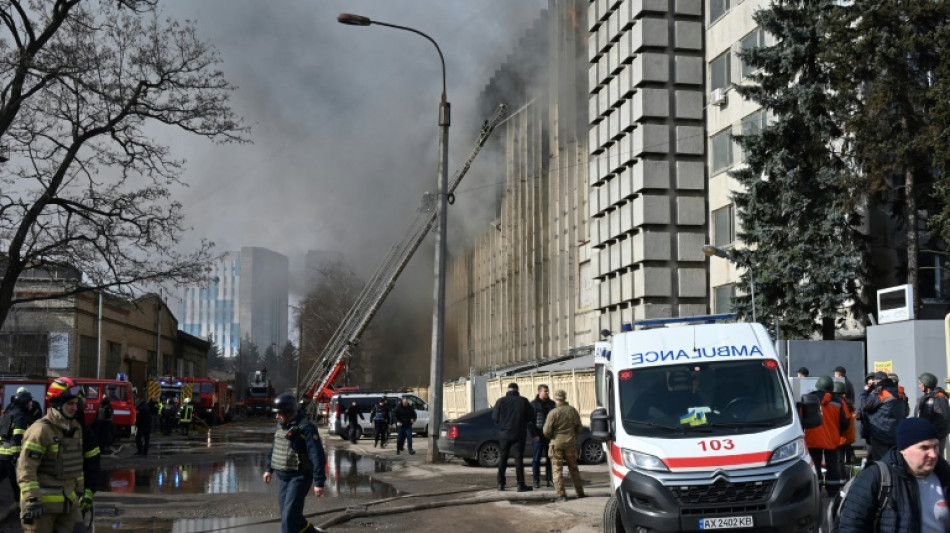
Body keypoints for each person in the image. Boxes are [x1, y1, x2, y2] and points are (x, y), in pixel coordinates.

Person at [838, 417, 950, 532]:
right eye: (924, 447)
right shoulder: (876, 477)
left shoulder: (944, 475)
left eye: (935, 446)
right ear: (903, 449)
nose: (933, 454)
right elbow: (851, 526)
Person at [17, 377, 87, 533]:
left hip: (69, 503)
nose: (75, 408)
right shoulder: (40, 431)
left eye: (76, 404)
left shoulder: (74, 429)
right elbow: (26, 469)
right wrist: (32, 498)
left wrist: (80, 491)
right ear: (56, 403)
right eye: (70, 404)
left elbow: (76, 464)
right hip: (40, 506)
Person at [263, 393, 326, 533]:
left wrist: (319, 482)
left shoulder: (306, 428)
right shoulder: (281, 426)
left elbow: (317, 455)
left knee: (289, 516)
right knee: (289, 514)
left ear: (288, 412)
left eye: (279, 413)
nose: (276, 416)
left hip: (299, 477)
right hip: (284, 477)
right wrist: (268, 468)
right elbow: (275, 447)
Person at [805, 376, 848, 496]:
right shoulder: (839, 401)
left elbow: (801, 419)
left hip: (812, 439)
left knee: (815, 465)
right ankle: (833, 491)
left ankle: (816, 489)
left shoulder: (808, 398)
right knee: (833, 465)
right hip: (831, 439)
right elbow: (845, 422)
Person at [492, 382, 537, 492]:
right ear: (517, 390)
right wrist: (522, 422)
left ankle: (500, 484)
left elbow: (495, 418)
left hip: (504, 434)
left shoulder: (500, 401)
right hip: (519, 434)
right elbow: (531, 416)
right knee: (518, 459)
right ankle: (520, 484)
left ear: (508, 390)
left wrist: (503, 424)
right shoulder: (523, 401)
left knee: (503, 458)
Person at [543, 389, 586, 502]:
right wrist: (572, 434)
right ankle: (580, 492)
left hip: (556, 444)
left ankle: (561, 495)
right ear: (565, 398)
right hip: (570, 443)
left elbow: (546, 431)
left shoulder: (553, 413)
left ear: (555, 399)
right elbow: (580, 427)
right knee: (573, 468)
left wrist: (553, 436)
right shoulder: (572, 411)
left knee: (557, 470)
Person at [0, 389, 36, 504]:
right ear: (25, 403)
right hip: (11, 456)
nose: (32, 404)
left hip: (2, 455)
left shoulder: (9, 413)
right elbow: (16, 438)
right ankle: (20, 506)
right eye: (30, 402)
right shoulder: (21, 417)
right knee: (19, 483)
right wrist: (16, 457)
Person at [861, 371, 906, 461]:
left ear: (877, 381)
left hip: (881, 433)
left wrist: (865, 393)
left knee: (880, 461)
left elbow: (865, 406)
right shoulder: (899, 392)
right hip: (895, 432)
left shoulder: (880, 392)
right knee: (893, 459)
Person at [916, 372, 950, 456]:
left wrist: (934, 433)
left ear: (926, 384)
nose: (919, 385)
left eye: (920, 383)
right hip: (926, 435)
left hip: (934, 436)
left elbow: (943, 418)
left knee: (936, 459)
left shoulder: (939, 398)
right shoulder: (925, 398)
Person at [530, 384, 556, 489]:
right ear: (539, 392)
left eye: (548, 391)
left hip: (549, 435)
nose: (547, 393)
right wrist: (534, 435)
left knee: (550, 458)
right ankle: (536, 480)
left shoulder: (552, 404)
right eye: (545, 391)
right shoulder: (533, 404)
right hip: (538, 435)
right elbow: (530, 422)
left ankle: (549, 480)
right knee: (536, 459)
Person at [834, 380, 857, 468]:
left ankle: (842, 477)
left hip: (840, 437)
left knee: (839, 460)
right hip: (849, 435)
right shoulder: (849, 403)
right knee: (845, 459)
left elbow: (842, 422)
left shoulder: (839, 403)